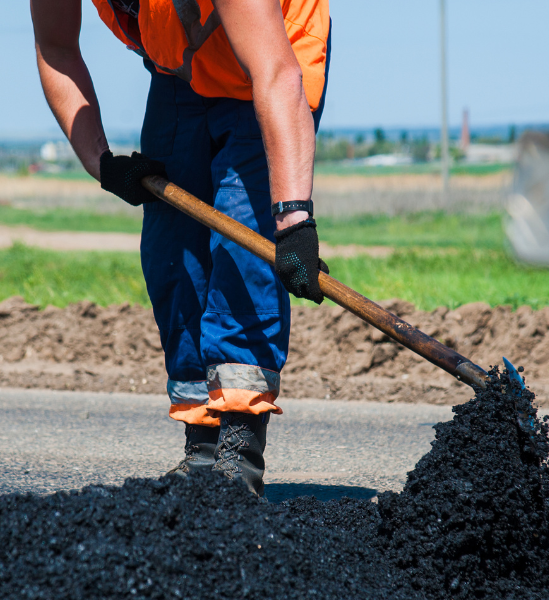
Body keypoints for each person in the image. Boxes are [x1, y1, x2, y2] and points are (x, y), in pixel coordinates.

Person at [31, 0, 330, 496]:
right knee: (172, 254)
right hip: (180, 69)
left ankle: (240, 454)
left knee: (244, 249)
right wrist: (101, 163)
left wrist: (293, 219)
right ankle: (203, 450)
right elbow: (56, 48)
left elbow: (276, 73)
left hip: (271, 55)